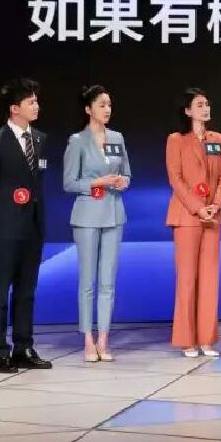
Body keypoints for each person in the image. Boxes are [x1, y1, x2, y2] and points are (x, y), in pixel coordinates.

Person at [0, 77, 53, 373]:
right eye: (31, 102)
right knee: (0, 290)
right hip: (5, 230)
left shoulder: (40, 140)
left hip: (33, 227)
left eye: (36, 100)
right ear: (14, 108)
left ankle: (23, 347)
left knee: (26, 291)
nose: (37, 106)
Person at [62, 85, 131, 362]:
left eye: (109, 104)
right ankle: (88, 340)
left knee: (108, 281)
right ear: (88, 109)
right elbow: (69, 183)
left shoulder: (117, 138)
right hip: (87, 216)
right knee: (87, 281)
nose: (107, 109)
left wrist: (122, 181)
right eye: (102, 105)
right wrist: (97, 182)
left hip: (114, 213)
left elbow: (127, 173)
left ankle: (104, 338)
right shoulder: (77, 141)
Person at [166, 88, 221, 358]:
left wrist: (215, 205)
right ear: (188, 111)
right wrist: (198, 207)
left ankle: (206, 339)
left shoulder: (217, 139)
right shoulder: (176, 140)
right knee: (187, 279)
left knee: (209, 279)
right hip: (187, 216)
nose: (206, 108)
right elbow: (175, 178)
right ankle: (187, 340)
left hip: (212, 216)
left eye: (207, 104)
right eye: (200, 105)